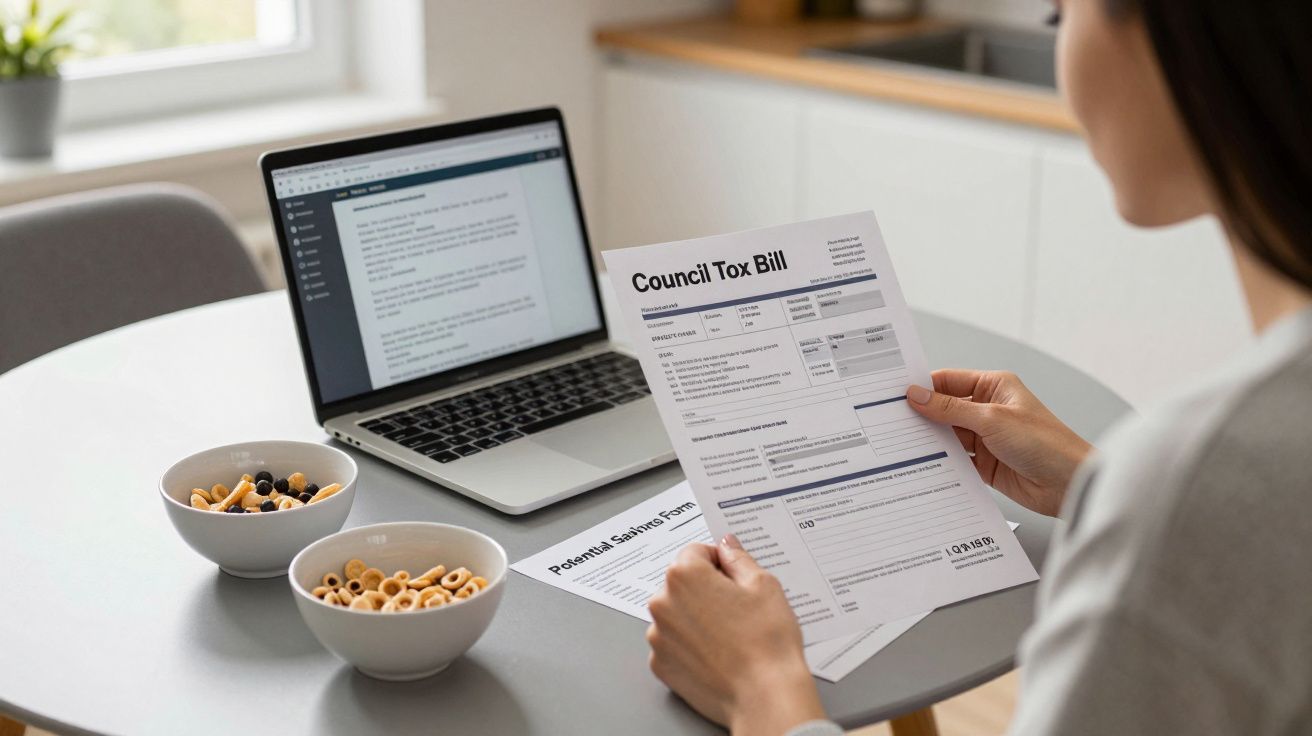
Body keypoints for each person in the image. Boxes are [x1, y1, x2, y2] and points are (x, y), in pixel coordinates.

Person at [643, 0, 1312, 733]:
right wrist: (1095, 485)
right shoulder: (1231, 471)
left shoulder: (1195, 481)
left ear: (1166, 30)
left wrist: (762, 689)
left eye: (1060, 14)